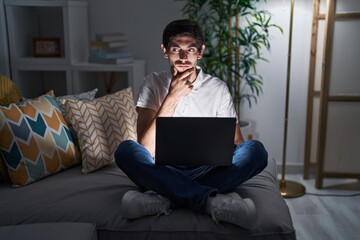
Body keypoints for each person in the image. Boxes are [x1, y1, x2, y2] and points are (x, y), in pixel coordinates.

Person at [114, 19, 268, 229]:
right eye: (176, 49)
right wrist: (171, 97)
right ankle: (210, 201)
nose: (184, 57)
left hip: (205, 169)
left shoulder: (218, 88)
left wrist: (226, 153)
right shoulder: (152, 83)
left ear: (200, 51)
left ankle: (166, 197)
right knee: (125, 151)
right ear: (165, 51)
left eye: (191, 49)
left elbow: (238, 143)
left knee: (256, 151)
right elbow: (145, 147)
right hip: (162, 166)